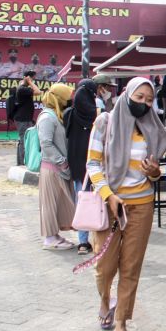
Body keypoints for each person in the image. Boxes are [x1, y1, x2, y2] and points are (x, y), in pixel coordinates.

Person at [86, 77, 166, 331]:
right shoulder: (105, 122)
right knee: (105, 266)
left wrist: (155, 173)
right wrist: (109, 195)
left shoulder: (152, 127)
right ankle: (104, 299)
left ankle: (121, 322)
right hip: (111, 204)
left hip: (141, 204)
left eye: (149, 99)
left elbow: (157, 170)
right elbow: (93, 165)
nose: (144, 104)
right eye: (139, 97)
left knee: (131, 267)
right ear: (126, 94)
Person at [37, 83, 76, 251]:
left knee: (58, 202)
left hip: (58, 167)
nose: (70, 101)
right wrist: (62, 161)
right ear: (60, 99)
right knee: (49, 204)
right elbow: (45, 143)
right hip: (53, 167)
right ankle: (50, 238)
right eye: (68, 98)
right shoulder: (47, 117)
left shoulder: (55, 115)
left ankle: (54, 234)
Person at [65, 79, 99, 255]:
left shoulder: (70, 115)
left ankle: (86, 241)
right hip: (87, 166)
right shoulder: (94, 119)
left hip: (81, 166)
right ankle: (84, 241)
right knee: (85, 201)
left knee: (84, 200)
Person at [14, 70, 42, 165]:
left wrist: (28, 82)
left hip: (25, 118)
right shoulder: (22, 88)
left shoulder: (23, 87)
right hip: (23, 119)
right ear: (27, 77)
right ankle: (22, 163)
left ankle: (21, 161)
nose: (33, 81)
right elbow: (38, 92)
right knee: (23, 140)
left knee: (24, 140)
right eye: (32, 78)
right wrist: (29, 82)